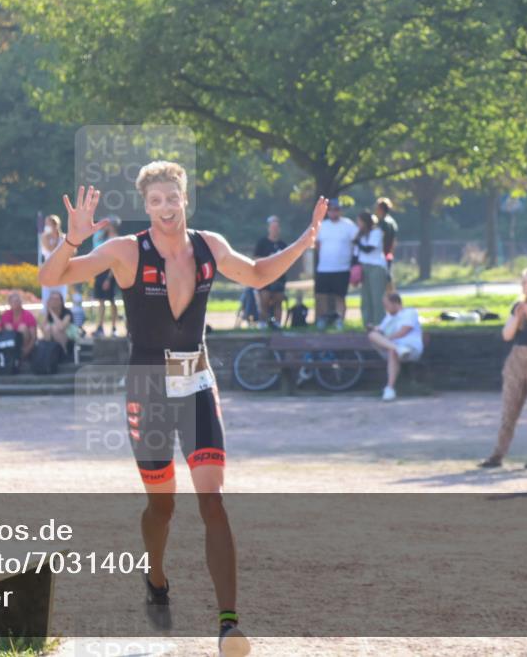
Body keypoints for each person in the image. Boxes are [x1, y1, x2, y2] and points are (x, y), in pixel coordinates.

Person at [39, 161, 327, 657]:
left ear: (184, 197)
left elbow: (257, 275)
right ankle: (155, 573)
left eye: (172, 197)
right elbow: (51, 276)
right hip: (147, 388)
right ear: (145, 206)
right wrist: (74, 240)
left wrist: (303, 243)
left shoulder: (209, 246)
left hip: (196, 382)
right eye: (155, 201)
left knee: (212, 500)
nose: (166, 208)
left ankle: (229, 624)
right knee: (162, 506)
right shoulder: (127, 251)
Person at [479, 266, 527, 469]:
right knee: (509, 407)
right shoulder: (519, 305)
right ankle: (497, 455)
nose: (523, 285)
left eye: (526, 281)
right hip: (517, 356)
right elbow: (507, 335)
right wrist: (518, 317)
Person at [367, 292, 424, 401]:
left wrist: (385, 339)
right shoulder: (388, 317)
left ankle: (389, 388)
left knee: (392, 350)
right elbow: (380, 330)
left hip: (410, 349)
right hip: (396, 348)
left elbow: (404, 331)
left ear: (395, 303)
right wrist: (373, 328)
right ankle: (397, 349)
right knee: (373, 336)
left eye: (386, 305)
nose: (385, 308)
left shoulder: (410, 313)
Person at [314, 198, 357, 330]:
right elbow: (317, 244)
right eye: (331, 210)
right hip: (324, 268)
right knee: (322, 295)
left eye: (337, 209)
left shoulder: (349, 225)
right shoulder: (322, 225)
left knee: (340, 296)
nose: (334, 212)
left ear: (340, 211)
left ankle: (340, 321)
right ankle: (324, 319)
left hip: (342, 268)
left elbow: (356, 241)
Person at [354, 211, 388, 327]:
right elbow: (356, 253)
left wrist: (357, 242)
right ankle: (367, 323)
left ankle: (379, 323)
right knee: (366, 297)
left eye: (359, 221)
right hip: (364, 266)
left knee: (377, 297)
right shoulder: (360, 234)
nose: (358, 223)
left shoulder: (376, 232)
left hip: (376, 267)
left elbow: (369, 249)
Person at [254, 216, 288, 328]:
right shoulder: (262, 242)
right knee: (265, 299)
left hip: (279, 277)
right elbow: (256, 259)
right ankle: (263, 322)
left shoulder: (283, 245)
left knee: (278, 300)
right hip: (265, 277)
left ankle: (277, 323)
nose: (275, 229)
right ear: (269, 228)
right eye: (272, 227)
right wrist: (269, 260)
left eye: (277, 227)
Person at [92, 219, 121, 337]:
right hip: (99, 272)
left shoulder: (117, 240)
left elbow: (115, 261)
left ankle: (114, 328)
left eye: (108, 224)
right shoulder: (100, 237)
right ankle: (100, 327)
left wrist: (109, 279)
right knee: (101, 301)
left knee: (111, 301)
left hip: (110, 273)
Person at [1, 290, 38, 360]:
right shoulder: (6, 315)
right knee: (8, 328)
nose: (16, 303)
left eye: (17, 301)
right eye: (13, 302)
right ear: (10, 303)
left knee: (22, 328)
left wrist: (27, 350)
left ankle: (21, 354)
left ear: (21, 302)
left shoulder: (28, 315)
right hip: (10, 346)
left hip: (26, 346)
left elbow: (34, 337)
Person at [40, 215, 68, 305]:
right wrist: (54, 238)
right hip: (48, 269)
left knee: (61, 296)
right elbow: (52, 251)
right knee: (47, 297)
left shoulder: (63, 237)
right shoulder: (45, 237)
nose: (48, 226)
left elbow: (70, 252)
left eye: (51, 224)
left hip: (61, 269)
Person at [39, 290, 77, 354]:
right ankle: (49, 352)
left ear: (61, 301)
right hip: (52, 340)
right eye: (52, 299)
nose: (54, 301)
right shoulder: (48, 313)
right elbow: (42, 328)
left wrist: (51, 312)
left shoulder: (67, 313)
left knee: (55, 328)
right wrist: (48, 312)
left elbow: (61, 327)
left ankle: (63, 352)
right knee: (47, 328)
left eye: (56, 299)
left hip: (68, 340)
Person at [375, 197, 398, 286]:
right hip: (389, 253)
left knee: (385, 279)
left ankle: (390, 297)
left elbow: (385, 240)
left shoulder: (384, 222)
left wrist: (383, 253)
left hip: (384, 254)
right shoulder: (391, 221)